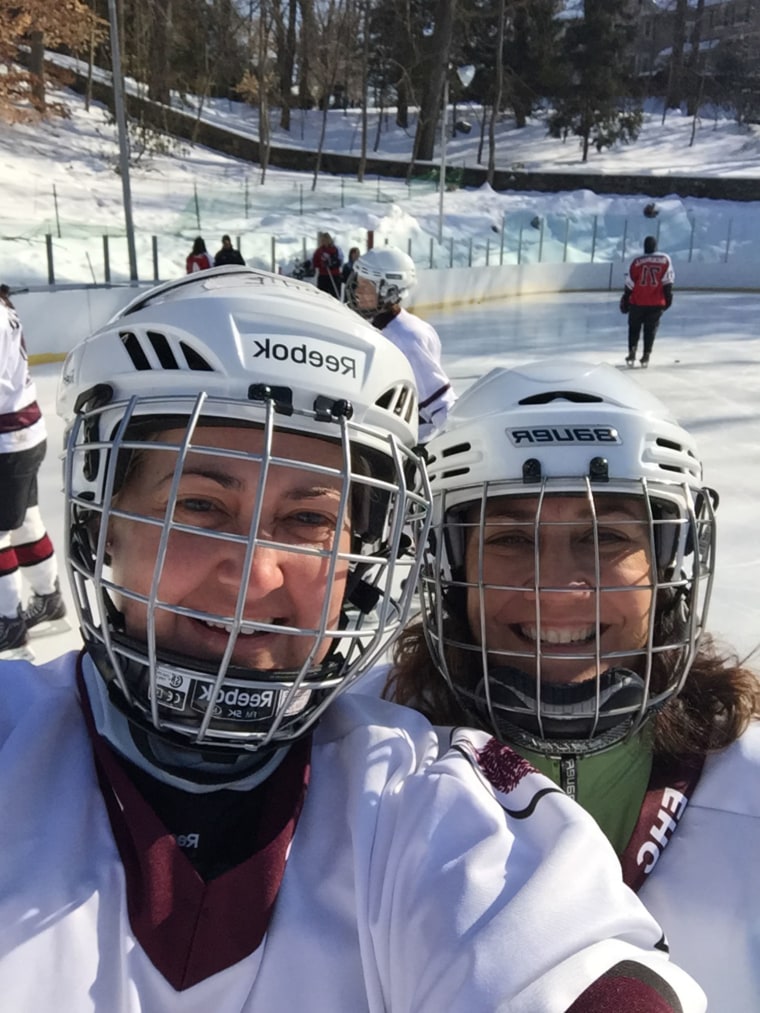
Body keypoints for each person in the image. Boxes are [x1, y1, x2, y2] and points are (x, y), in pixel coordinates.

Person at [0, 275, 707, 1010]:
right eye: (199, 505)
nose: (254, 575)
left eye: (308, 520)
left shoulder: (420, 797)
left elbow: (556, 949)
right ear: (102, 522)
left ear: (359, 560)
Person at [387, 358, 760, 1010]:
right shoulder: (368, 767)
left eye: (606, 537)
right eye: (509, 537)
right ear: (452, 570)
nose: (558, 591)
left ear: (667, 568)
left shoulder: (747, 783)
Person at [0, 284, 66, 658]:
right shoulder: (3, 309)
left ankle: (7, 625)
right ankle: (49, 600)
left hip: (8, 443)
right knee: (25, 521)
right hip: (24, 436)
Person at [347, 246, 456, 442]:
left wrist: (451, 446)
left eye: (366, 286)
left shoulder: (406, 338)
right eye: (358, 283)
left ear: (388, 290)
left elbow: (441, 406)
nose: (357, 291)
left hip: (407, 448)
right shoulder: (385, 327)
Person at [620, 235, 674, 368]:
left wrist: (626, 298)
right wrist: (668, 299)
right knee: (650, 330)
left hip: (637, 301)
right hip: (656, 303)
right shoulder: (665, 259)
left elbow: (630, 283)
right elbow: (668, 281)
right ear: (656, 246)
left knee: (634, 328)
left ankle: (632, 352)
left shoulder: (636, 261)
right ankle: (646, 355)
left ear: (644, 247)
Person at [311, 230, 343, 298]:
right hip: (323, 275)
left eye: (325, 240)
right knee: (322, 294)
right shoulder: (319, 251)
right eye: (322, 240)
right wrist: (321, 264)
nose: (324, 242)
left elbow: (340, 261)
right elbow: (315, 262)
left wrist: (332, 263)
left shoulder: (336, 249)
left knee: (334, 295)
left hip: (334, 275)